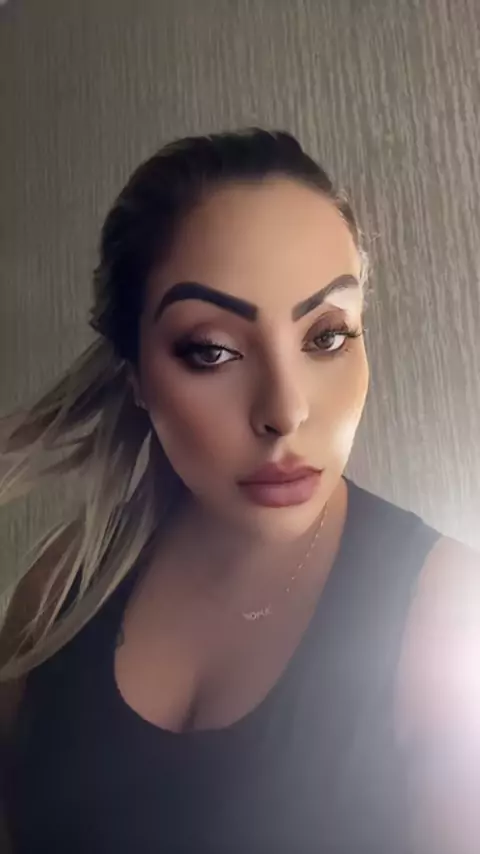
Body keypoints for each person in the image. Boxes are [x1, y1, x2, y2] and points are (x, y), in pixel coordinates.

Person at [0, 129, 478, 854]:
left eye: (326, 336)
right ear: (136, 376)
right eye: (213, 350)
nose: (285, 411)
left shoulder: (450, 619)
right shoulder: (61, 591)